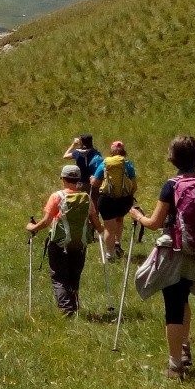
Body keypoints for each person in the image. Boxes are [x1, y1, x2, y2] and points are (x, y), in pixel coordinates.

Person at [129, 136, 195, 380]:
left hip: (175, 251)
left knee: (173, 305)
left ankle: (175, 365)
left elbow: (154, 224)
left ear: (173, 158)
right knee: (183, 298)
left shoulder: (171, 185)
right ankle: (184, 351)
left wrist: (137, 216)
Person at [25, 164, 104, 317]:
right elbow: (96, 224)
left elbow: (46, 222)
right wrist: (102, 230)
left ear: (63, 178)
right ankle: (74, 307)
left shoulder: (57, 197)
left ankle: (67, 309)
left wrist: (32, 227)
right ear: (78, 179)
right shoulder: (87, 198)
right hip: (80, 244)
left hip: (59, 243)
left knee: (59, 276)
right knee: (74, 276)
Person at [93, 141, 137, 258]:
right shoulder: (128, 165)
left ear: (111, 151)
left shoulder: (104, 164)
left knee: (108, 227)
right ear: (123, 151)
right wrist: (127, 196)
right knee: (120, 219)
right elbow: (134, 186)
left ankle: (109, 253)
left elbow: (95, 183)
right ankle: (117, 243)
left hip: (106, 199)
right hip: (124, 200)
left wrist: (92, 178)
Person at [64, 134, 103, 204]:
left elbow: (65, 156)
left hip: (81, 184)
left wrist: (74, 144)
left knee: (82, 204)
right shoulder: (95, 153)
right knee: (94, 205)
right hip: (93, 182)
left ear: (81, 142)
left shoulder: (77, 153)